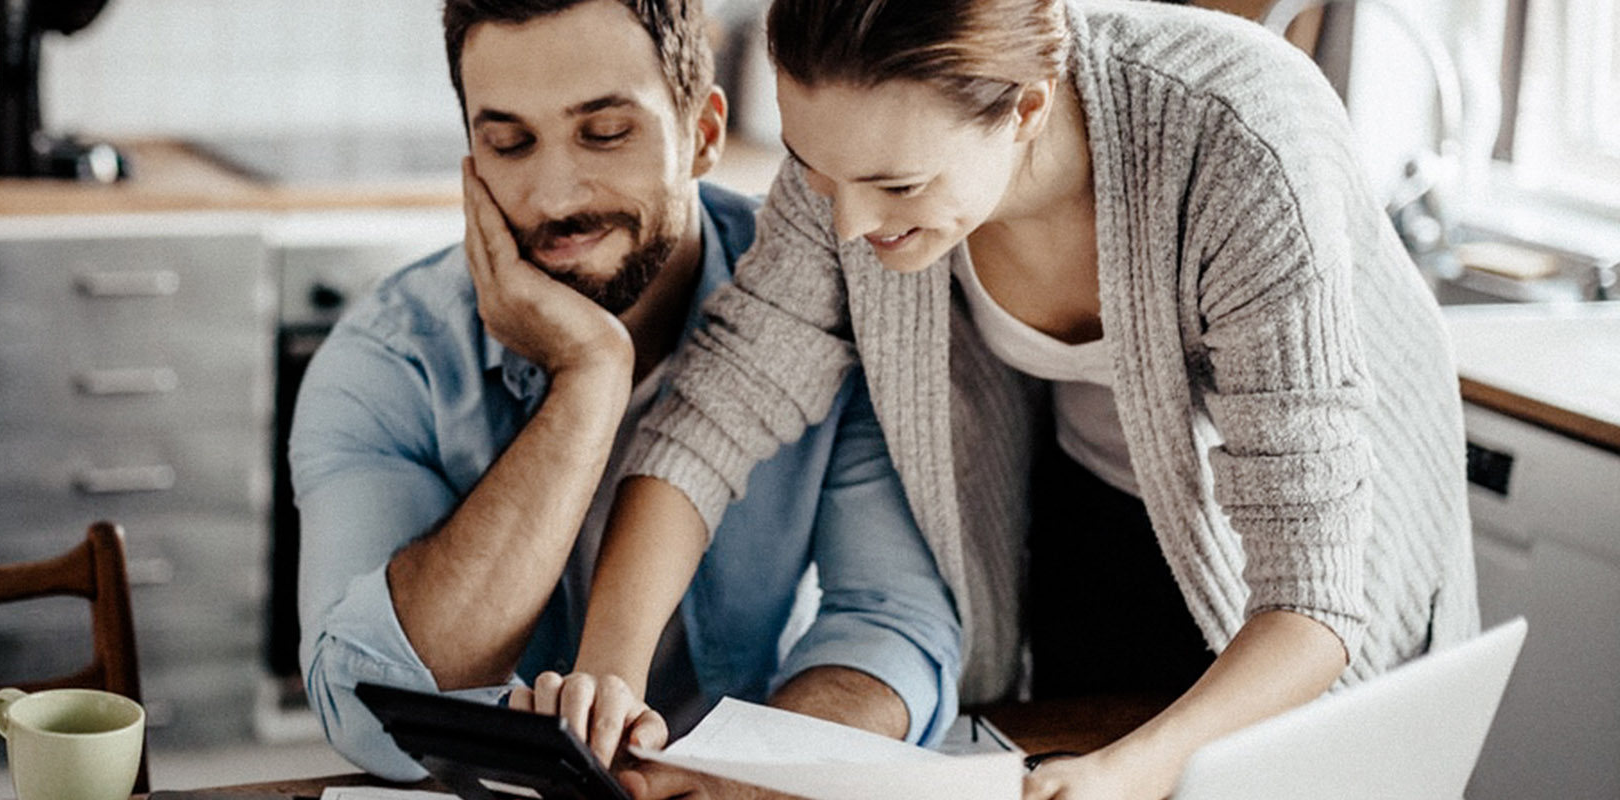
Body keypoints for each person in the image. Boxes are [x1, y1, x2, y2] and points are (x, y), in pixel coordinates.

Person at [548, 0, 1482, 796]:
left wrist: (1135, 767)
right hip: (1091, 509)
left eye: (896, 186)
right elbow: (717, 410)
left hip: (1307, 572)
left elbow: (1315, 598)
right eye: (815, 170)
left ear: (1028, 107)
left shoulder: (1239, 142)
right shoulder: (857, 153)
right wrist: (610, 675)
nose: (848, 223)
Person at [289, 0, 962, 785]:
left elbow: (891, 627)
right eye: (508, 143)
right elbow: (365, 701)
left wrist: (741, 774)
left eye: (605, 133)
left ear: (704, 134)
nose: (555, 197)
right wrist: (588, 380)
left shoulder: (827, 305)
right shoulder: (390, 359)